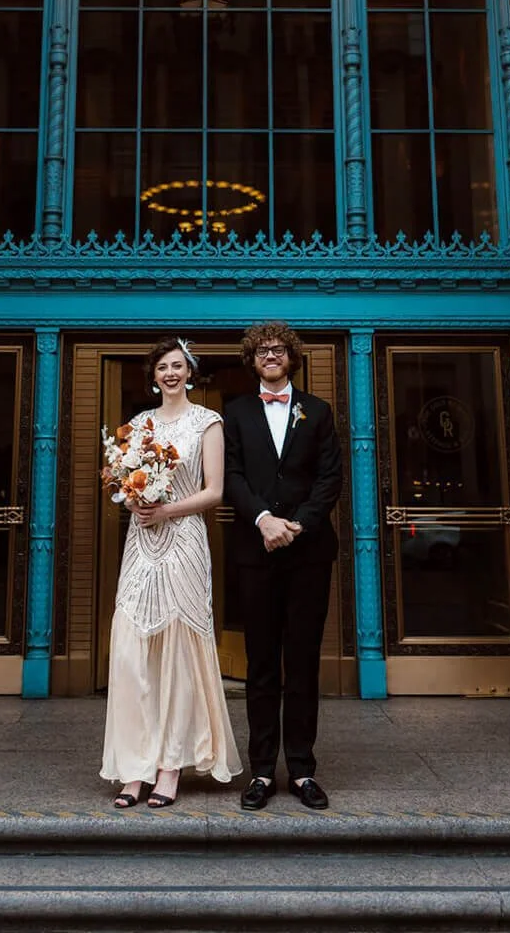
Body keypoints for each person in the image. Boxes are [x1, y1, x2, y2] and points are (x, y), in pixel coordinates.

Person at [100, 336, 242, 809]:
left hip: (183, 542)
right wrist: (133, 494)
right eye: (163, 366)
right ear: (153, 375)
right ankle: (135, 768)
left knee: (179, 652)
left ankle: (168, 768)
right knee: (133, 653)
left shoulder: (208, 422)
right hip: (142, 543)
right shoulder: (139, 424)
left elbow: (216, 491)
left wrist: (168, 510)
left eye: (178, 365)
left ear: (191, 371)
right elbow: (126, 481)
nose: (171, 373)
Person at [223, 321, 342, 811]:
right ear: (252, 360)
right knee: (262, 665)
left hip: (308, 552)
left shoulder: (317, 411)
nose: (269, 356)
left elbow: (330, 477)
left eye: (278, 350)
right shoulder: (233, 412)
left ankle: (303, 770)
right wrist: (264, 520)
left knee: (303, 662)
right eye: (261, 351)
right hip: (255, 554)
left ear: (291, 358)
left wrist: (296, 525)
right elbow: (229, 475)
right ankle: (262, 773)